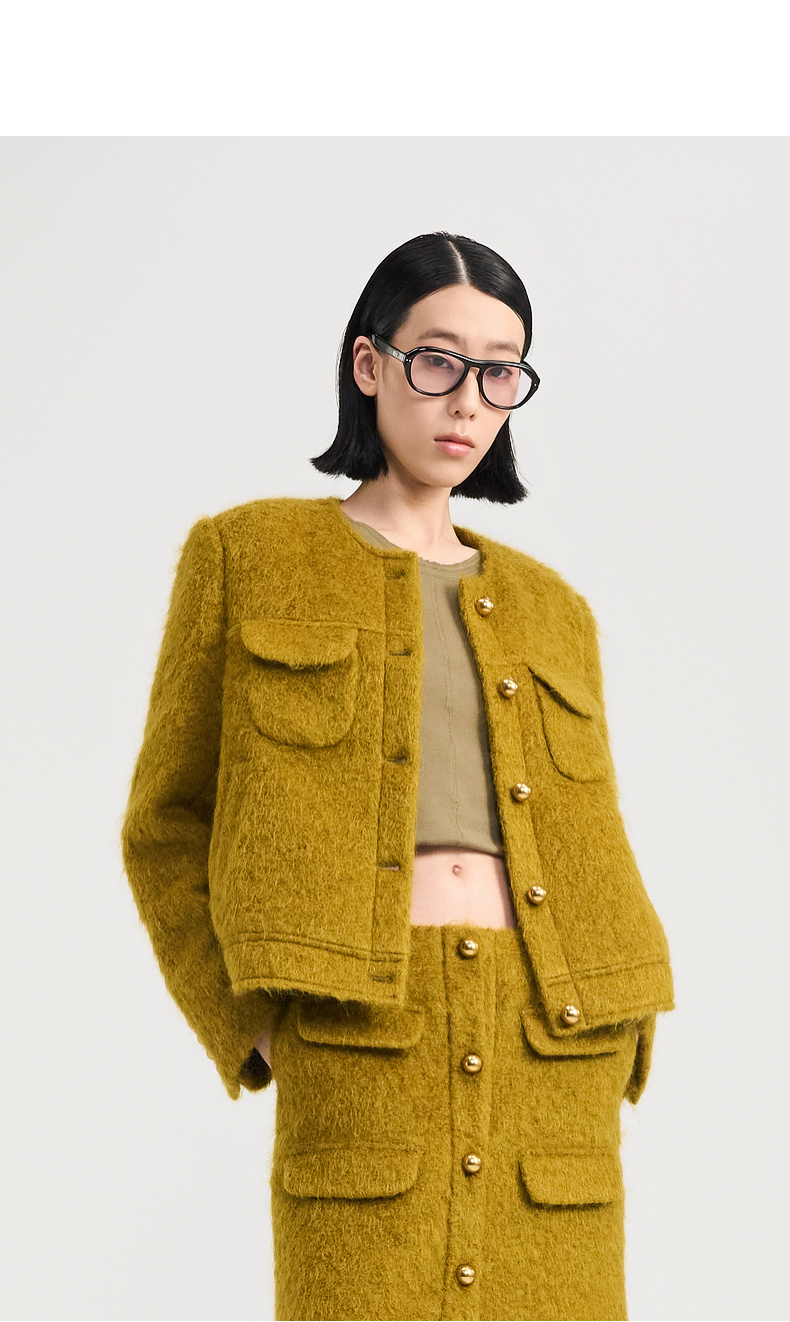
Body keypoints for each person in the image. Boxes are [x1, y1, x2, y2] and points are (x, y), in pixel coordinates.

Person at [121, 231, 674, 1321]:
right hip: (357, 1031)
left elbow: (589, 833)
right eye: (437, 360)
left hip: (557, 1041)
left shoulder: (554, 606)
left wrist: (623, 1035)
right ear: (369, 364)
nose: (466, 399)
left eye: (499, 371)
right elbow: (165, 823)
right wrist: (250, 1021)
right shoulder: (246, 555)